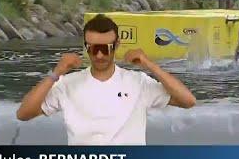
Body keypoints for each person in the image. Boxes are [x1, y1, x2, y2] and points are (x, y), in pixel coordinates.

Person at [16, 14, 196, 145]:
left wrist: (150, 65)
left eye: (106, 48)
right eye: (94, 49)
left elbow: (187, 100)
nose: (100, 55)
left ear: (117, 45)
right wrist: (56, 73)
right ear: (86, 47)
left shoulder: (138, 82)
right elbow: (23, 114)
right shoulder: (67, 84)